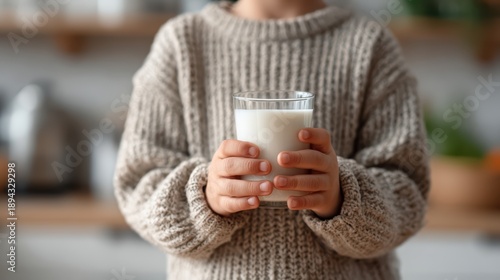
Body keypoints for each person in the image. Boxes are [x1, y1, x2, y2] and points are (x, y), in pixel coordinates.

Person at [114, 0, 429, 279]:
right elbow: (137, 184)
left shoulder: (370, 46)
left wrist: (342, 198)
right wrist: (205, 197)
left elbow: (408, 190)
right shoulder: (182, 44)